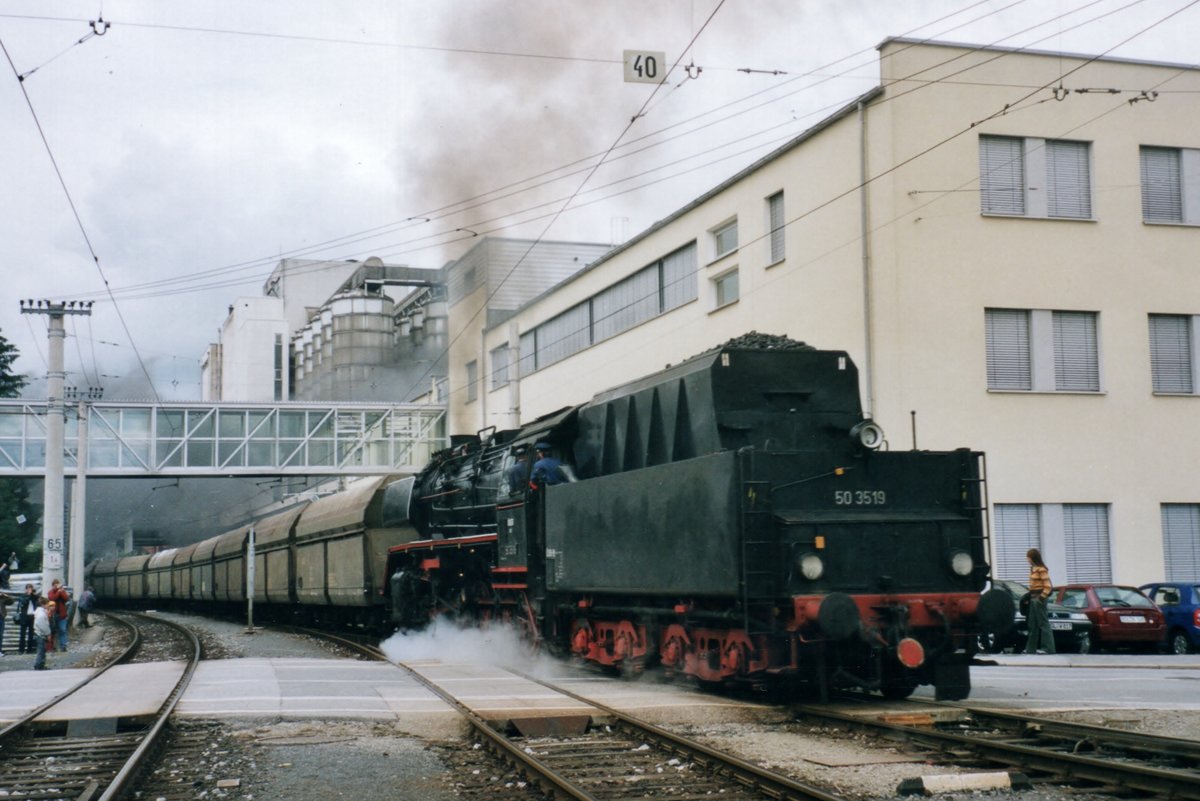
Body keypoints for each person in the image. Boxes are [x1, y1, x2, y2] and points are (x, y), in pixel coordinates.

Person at [1025, 547, 1056, 655]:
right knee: (1032, 624)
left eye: (1028, 557)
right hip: (1033, 598)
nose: (1027, 559)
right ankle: (1030, 649)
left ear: (1033, 558)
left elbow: (1047, 586)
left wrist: (1041, 598)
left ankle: (1048, 648)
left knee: (1043, 623)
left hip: (1039, 599)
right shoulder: (1033, 569)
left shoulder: (1041, 569)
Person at [47, 579, 70, 652]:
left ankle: (63, 646)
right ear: (53, 586)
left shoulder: (62, 591)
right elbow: (52, 598)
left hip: (62, 615)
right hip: (53, 615)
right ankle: (52, 646)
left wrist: (61, 591)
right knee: (52, 631)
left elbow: (66, 598)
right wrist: (58, 592)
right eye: (55, 585)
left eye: (57, 585)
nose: (56, 586)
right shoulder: (50, 592)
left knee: (62, 630)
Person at [16, 583, 37, 654]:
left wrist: (33, 594)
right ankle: (21, 650)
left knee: (31, 634)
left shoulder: (33, 597)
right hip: (24, 617)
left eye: (30, 588)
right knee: (23, 634)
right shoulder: (22, 596)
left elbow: (37, 600)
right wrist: (28, 595)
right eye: (28, 588)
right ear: (26, 589)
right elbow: (24, 602)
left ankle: (29, 649)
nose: (29, 590)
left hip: (32, 616)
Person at [32, 597, 51, 670]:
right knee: (41, 650)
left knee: (42, 650)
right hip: (40, 634)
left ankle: (40, 664)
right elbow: (43, 625)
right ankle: (38, 664)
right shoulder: (41, 614)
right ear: (43, 604)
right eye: (47, 604)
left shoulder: (39, 612)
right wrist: (48, 633)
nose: (48, 606)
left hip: (38, 633)